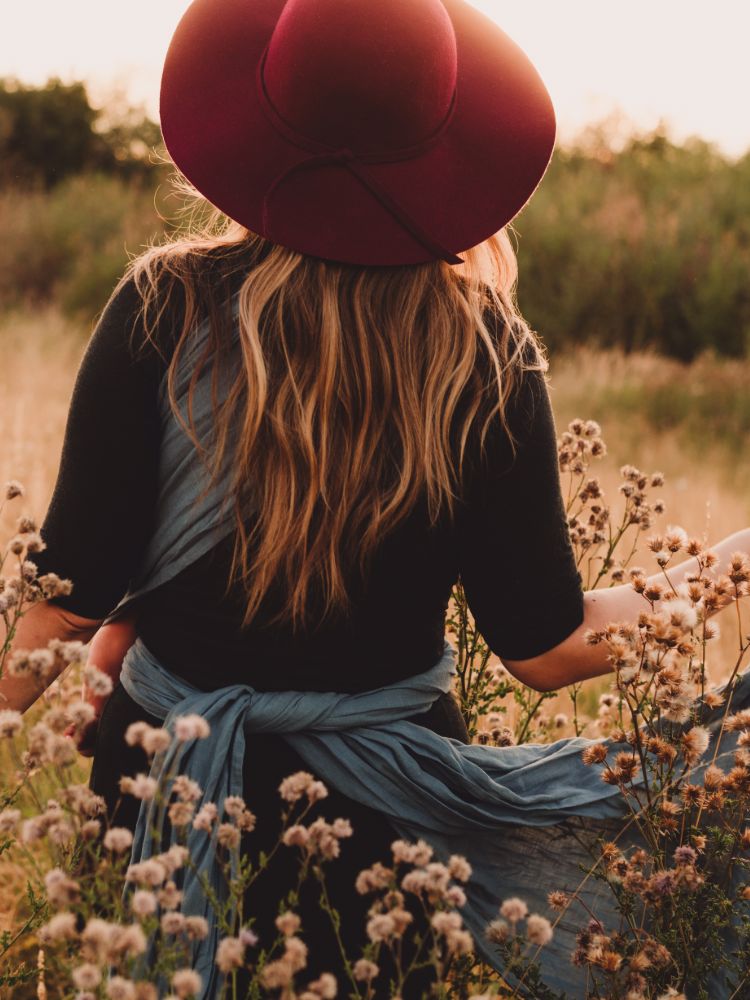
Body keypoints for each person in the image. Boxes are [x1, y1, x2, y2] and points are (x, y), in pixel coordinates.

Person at [2, 0, 750, 996]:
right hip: (388, 832)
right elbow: (547, 648)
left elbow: (65, 599)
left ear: (261, 125)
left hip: (160, 791)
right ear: (440, 151)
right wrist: (725, 567)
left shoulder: (162, 305)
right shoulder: (482, 355)